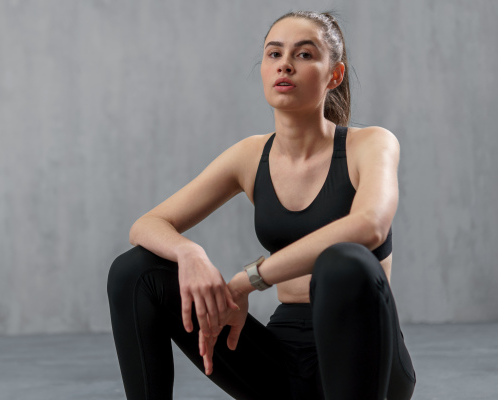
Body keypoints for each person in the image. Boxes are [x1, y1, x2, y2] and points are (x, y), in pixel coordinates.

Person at [107, 10, 416, 400]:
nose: (285, 64)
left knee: (343, 263)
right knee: (134, 271)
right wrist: (190, 253)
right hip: (283, 359)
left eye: (304, 55)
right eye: (274, 54)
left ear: (333, 76)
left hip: (368, 356)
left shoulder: (370, 144)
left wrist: (247, 280)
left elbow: (369, 225)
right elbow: (147, 224)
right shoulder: (251, 155)